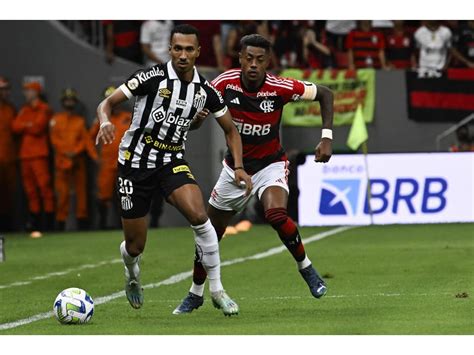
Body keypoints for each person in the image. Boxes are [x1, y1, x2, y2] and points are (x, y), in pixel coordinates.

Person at [95, 24, 252, 316]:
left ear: (198, 52)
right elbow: (107, 103)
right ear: (169, 50)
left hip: (171, 160)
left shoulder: (205, 90)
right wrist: (105, 122)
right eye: (177, 48)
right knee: (135, 245)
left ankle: (217, 290)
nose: (183, 55)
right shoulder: (150, 77)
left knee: (200, 217)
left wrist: (239, 166)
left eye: (189, 49)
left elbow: (231, 130)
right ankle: (132, 273)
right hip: (135, 164)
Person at [173, 34, 334, 314]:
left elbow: (325, 93)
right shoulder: (223, 84)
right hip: (234, 169)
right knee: (209, 231)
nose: (253, 65)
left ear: (268, 62)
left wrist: (327, 137)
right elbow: (196, 120)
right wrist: (197, 120)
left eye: (260, 60)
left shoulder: (280, 87)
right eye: (248, 58)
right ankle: (196, 293)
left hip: (270, 165)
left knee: (275, 215)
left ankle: (306, 268)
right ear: (240, 58)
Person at [50, 88, 98, 231]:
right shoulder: (55, 120)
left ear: (75, 102)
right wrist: (66, 152)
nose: (69, 102)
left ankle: (82, 223)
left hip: (78, 162)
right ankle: (60, 223)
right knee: (62, 194)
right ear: (63, 102)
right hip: (61, 162)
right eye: (67, 100)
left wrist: (76, 152)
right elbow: (54, 140)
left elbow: (85, 140)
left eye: (71, 100)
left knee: (81, 194)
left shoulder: (80, 121)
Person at [11, 81, 55, 236]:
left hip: (39, 154)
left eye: (29, 91)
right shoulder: (24, 110)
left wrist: (26, 125)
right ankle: (34, 221)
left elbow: (38, 127)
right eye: (26, 91)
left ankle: (49, 222)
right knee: (30, 190)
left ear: (36, 92)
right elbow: (14, 127)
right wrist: (27, 124)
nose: (26, 94)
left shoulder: (44, 108)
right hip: (25, 155)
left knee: (44, 187)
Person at [90, 86, 132, 229]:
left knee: (126, 193)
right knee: (104, 194)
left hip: (125, 161)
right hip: (107, 162)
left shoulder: (128, 117)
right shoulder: (102, 119)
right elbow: (88, 139)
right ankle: (103, 223)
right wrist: (95, 156)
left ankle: (123, 224)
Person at [0, 77, 17, 232]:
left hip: (8, 158)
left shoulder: (10, 109)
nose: (5, 93)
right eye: (2, 90)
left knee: (8, 195)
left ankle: (7, 226)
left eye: (6, 89)